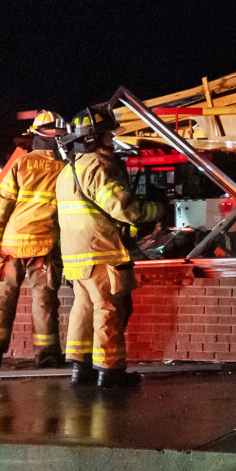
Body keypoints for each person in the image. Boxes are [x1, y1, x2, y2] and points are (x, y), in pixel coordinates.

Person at [57, 107, 164, 388]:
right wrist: (157, 209)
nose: (111, 139)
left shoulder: (68, 170)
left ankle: (81, 370)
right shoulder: (98, 167)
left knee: (83, 309)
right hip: (101, 252)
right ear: (94, 138)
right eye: (107, 134)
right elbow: (122, 208)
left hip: (76, 256)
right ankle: (110, 372)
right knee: (108, 311)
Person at [0, 110, 68, 369]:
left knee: (2, 297)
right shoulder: (65, 169)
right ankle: (47, 354)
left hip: (12, 244)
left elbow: (2, 204)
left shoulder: (20, 164)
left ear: (35, 135)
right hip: (44, 246)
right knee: (44, 299)